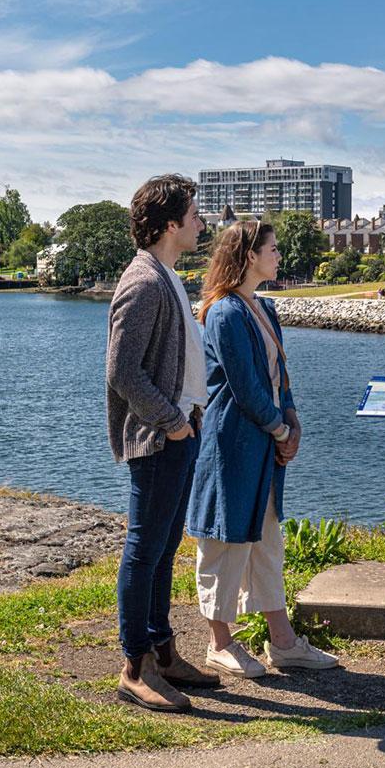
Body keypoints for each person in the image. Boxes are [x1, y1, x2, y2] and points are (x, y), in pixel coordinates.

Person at [188, 220, 338, 676]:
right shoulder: (225, 312)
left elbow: (277, 378)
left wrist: (291, 419)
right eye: (272, 249)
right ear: (249, 255)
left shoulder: (263, 308)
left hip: (265, 444)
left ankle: (284, 641)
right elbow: (244, 386)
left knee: (267, 540)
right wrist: (279, 430)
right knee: (224, 539)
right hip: (232, 443)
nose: (278, 256)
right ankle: (219, 641)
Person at [107, 175, 220, 713]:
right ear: (171, 223)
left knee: (163, 549)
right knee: (144, 550)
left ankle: (162, 650)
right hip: (160, 438)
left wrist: (186, 422)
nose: (202, 223)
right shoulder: (144, 281)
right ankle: (136, 667)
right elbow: (122, 371)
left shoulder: (166, 274)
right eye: (195, 214)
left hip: (181, 432)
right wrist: (172, 422)